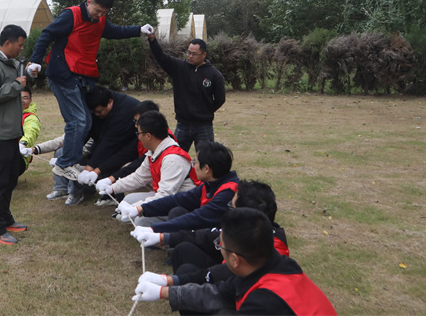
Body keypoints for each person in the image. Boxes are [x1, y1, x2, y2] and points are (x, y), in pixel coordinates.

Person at [27, 0, 152, 182]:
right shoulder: (72, 15)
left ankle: (71, 160)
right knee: (77, 121)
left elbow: (115, 31)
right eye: (97, 10)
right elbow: (47, 34)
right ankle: (64, 164)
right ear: (89, 2)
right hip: (63, 74)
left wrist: (139, 30)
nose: (99, 15)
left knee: (87, 120)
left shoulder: (100, 21)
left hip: (82, 77)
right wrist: (35, 60)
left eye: (104, 12)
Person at [134, 208, 336, 315]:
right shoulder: (270, 266)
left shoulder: (263, 302)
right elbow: (216, 293)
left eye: (220, 245)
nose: (219, 248)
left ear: (235, 259)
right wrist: (162, 292)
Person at [0, 24, 30, 245]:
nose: (21, 49)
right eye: (19, 45)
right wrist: (16, 86)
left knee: (9, 179)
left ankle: (6, 219)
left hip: (10, 132)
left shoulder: (10, 63)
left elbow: (15, 81)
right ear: (8, 43)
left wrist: (27, 74)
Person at [120, 141, 238, 230]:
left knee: (183, 248)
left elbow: (199, 217)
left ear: (206, 169)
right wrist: (141, 208)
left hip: (219, 239)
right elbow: (178, 199)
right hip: (207, 229)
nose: (193, 165)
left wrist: (157, 231)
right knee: (176, 211)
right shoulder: (209, 185)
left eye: (195, 162)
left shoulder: (228, 192)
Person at [96, 110, 200, 210]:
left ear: (148, 136)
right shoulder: (155, 151)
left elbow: (165, 196)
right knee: (129, 200)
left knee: (141, 218)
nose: (138, 138)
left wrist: (137, 208)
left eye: (139, 133)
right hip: (169, 198)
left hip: (181, 204)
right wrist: (113, 188)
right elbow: (139, 177)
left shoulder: (172, 160)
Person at [144, 32, 226, 154]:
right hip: (183, 125)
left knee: (206, 158)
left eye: (194, 54)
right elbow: (160, 57)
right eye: (188, 52)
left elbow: (220, 99)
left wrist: (205, 111)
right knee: (174, 156)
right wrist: (152, 40)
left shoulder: (214, 75)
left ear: (204, 55)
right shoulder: (179, 67)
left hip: (204, 126)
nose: (190, 56)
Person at [71, 85, 141, 205]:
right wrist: (69, 154)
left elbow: (109, 144)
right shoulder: (99, 107)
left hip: (130, 147)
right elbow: (88, 133)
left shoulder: (124, 112)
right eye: (94, 112)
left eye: (99, 111)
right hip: (112, 144)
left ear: (110, 102)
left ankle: (115, 196)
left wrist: (90, 169)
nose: (97, 115)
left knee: (113, 160)